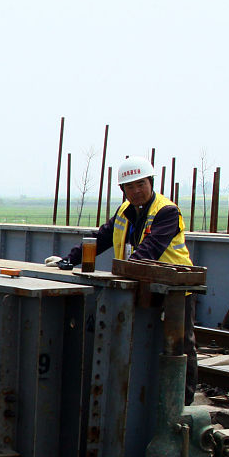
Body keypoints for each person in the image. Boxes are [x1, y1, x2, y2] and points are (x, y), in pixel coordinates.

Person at [46, 156, 197, 403]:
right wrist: (69, 259)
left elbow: (150, 249)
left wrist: (122, 270)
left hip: (174, 290)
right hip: (140, 286)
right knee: (143, 339)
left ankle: (183, 401)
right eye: (130, 187)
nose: (136, 191)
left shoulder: (167, 212)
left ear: (151, 182)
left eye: (141, 184)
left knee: (180, 345)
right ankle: (144, 394)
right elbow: (102, 238)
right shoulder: (124, 211)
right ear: (123, 190)